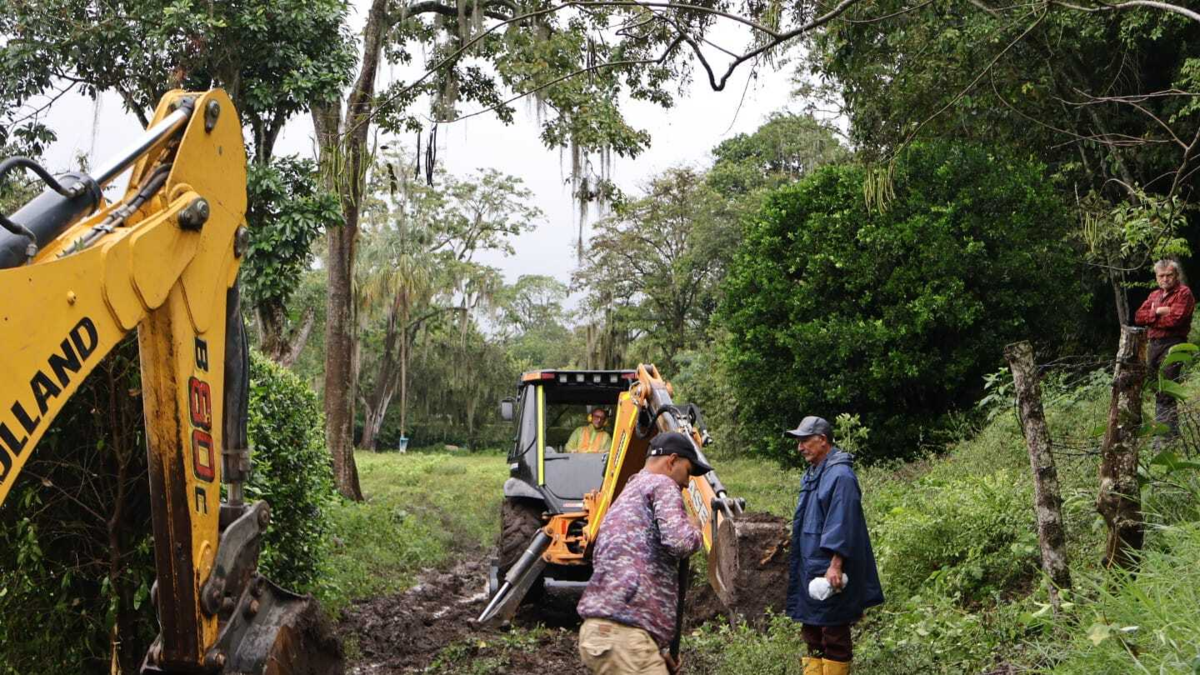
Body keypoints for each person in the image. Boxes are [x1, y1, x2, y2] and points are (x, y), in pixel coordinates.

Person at [577, 432, 710, 675]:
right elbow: (679, 542)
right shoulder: (662, 484)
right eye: (688, 471)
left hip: (601, 633)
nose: (687, 482)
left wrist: (655, 649)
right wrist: (696, 529)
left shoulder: (628, 494)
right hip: (624, 637)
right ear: (672, 461)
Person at [784, 416, 883, 675]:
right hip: (811, 567)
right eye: (798, 441)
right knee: (812, 633)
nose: (799, 447)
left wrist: (836, 565)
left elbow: (843, 522)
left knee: (833, 634)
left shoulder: (840, 476)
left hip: (829, 570)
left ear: (822, 440)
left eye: (805, 440)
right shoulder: (815, 473)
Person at [1134, 259, 1195, 443]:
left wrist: (1152, 318)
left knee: (1166, 388)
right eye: (1161, 276)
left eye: (1169, 275)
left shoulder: (1184, 293)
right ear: (1156, 277)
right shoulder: (1154, 295)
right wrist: (1158, 312)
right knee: (1156, 388)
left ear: (1176, 275)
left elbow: (1176, 319)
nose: (1165, 279)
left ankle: (1166, 438)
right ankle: (1165, 433)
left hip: (1174, 344)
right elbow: (1138, 317)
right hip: (1153, 345)